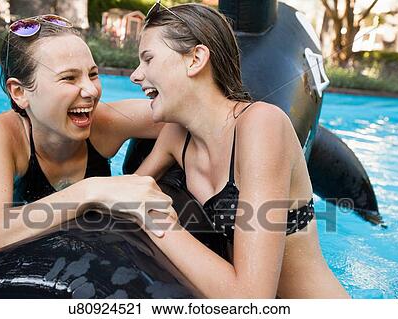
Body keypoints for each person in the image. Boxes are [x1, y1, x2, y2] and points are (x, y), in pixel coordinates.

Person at [129, 3, 350, 298]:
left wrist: (156, 221)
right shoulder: (175, 137)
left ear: (195, 59)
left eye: (148, 59)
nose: (135, 75)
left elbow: (252, 298)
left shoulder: (262, 125)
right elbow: (128, 192)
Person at [0, 15, 171, 257]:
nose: (91, 91)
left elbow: (186, 117)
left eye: (92, 74)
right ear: (19, 92)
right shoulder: (3, 133)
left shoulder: (105, 122)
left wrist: (149, 169)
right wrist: (93, 192)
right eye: (69, 78)